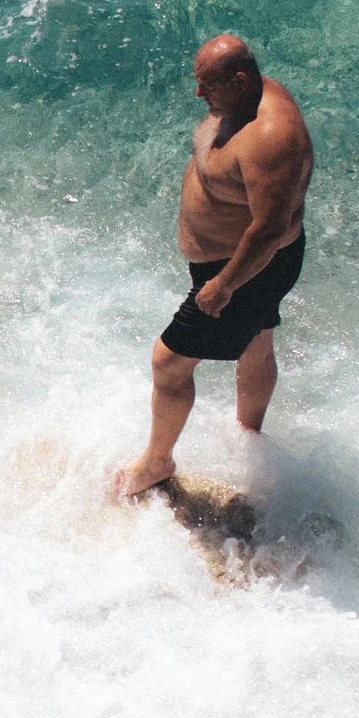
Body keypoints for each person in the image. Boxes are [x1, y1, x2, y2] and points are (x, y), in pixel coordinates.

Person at [116, 33, 315, 498]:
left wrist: (224, 285)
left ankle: (156, 464)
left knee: (168, 363)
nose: (199, 95)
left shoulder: (270, 137)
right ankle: (250, 437)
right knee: (257, 341)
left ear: (241, 80)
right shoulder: (243, 101)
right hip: (238, 264)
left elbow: (269, 230)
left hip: (246, 268)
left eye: (207, 87)